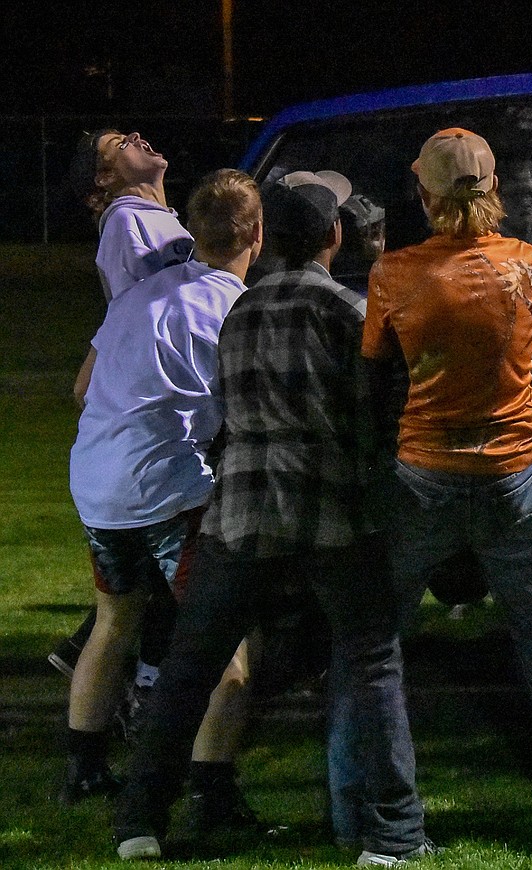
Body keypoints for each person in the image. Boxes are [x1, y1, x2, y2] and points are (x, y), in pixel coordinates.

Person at [114, 169, 435, 866]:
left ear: (269, 239)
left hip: (241, 509)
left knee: (189, 666)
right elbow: (379, 412)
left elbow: (227, 411)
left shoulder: (240, 311)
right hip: (328, 507)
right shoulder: (348, 312)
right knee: (372, 659)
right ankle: (393, 832)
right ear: (333, 236)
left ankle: (139, 820)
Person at [363, 128, 532, 852]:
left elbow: (376, 365)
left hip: (425, 470)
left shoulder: (393, 273)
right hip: (514, 469)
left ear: (422, 193)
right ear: (494, 191)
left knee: (373, 644)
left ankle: (361, 806)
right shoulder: (523, 261)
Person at [61, 169, 258, 808]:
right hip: (171, 490)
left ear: (190, 231)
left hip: (96, 484)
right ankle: (211, 787)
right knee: (220, 637)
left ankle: (85, 770)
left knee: (114, 620)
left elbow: (83, 390)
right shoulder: (233, 307)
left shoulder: (135, 296)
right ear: (257, 232)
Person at [53, 130, 197, 727]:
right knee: (192, 599)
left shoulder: (154, 217)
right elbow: (148, 312)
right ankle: (159, 704)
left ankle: (99, 712)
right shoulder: (130, 222)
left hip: (141, 436)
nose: (138, 136)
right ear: (103, 179)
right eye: (118, 143)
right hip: (157, 429)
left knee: (127, 606)